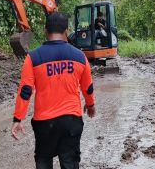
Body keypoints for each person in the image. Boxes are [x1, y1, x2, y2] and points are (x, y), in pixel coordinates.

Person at [11, 12, 96, 169]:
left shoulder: (33, 57)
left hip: (44, 123)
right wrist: (90, 105)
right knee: (70, 162)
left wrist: (18, 118)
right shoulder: (80, 56)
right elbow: (88, 87)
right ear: (66, 30)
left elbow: (25, 90)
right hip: (71, 121)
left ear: (45, 30)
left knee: (43, 161)